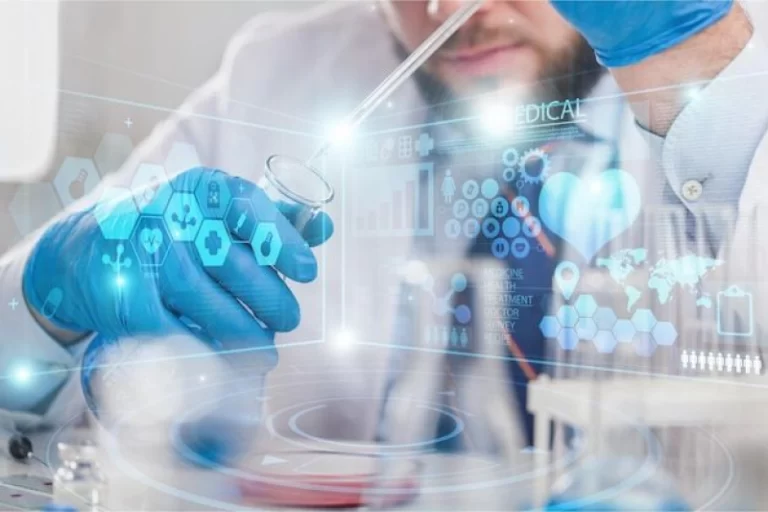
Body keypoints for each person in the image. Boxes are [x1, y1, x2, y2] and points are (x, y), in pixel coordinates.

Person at [0, 0, 766, 475]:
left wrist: (711, 68)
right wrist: (48, 300)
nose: (453, 8)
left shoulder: (736, 58)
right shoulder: (279, 75)